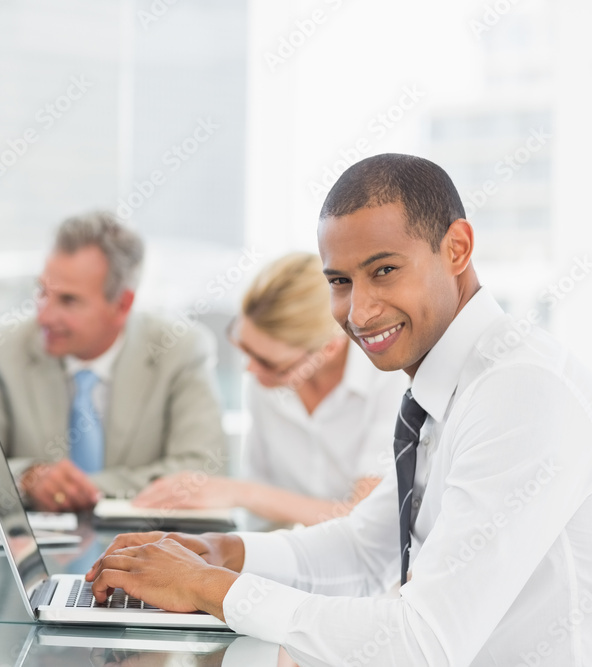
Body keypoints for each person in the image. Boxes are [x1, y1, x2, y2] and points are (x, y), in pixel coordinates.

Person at [86, 154, 592, 665]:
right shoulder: (443, 382)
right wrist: (221, 552)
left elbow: (423, 641)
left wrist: (208, 588)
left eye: (385, 270)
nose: (359, 311)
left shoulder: (520, 390)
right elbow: (365, 547)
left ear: (457, 248)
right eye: (340, 282)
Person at [0, 211, 225, 512]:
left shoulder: (180, 350)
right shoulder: (4, 349)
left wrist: (82, 489)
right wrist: (29, 478)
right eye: (42, 291)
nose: (44, 315)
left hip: (146, 548)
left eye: (68, 301)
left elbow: (202, 472)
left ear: (122, 304)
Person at [134, 252, 408, 526]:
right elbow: (263, 517)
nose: (250, 370)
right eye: (245, 349)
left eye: (268, 362)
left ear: (330, 348)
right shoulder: (266, 382)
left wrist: (238, 492)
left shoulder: (390, 380)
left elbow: (367, 519)